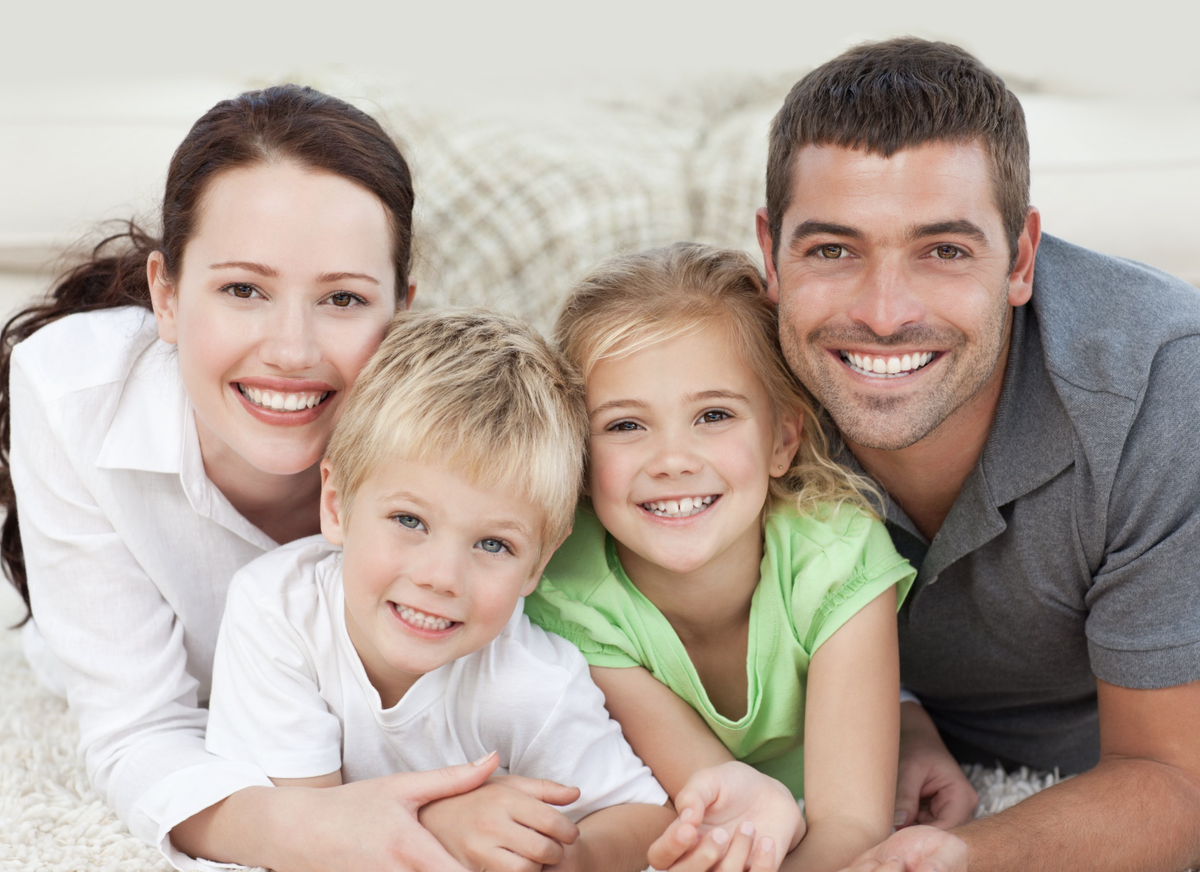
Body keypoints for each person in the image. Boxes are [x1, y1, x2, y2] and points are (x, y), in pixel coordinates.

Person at [1, 85, 504, 872]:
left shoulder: (451, 433)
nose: (292, 350)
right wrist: (312, 830)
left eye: (343, 298)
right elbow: (137, 727)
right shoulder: (70, 394)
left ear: (401, 314)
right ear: (166, 295)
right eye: (244, 290)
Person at [753, 38, 1200, 872]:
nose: (885, 315)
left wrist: (952, 858)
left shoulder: (1161, 387)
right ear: (771, 255)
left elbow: (1175, 779)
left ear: (1021, 258)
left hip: (1094, 772)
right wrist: (899, 709)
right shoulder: (723, 383)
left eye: (944, 250)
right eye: (833, 250)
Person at [205, 308, 673, 872]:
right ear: (336, 504)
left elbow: (645, 815)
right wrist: (442, 824)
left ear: (539, 564)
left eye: (494, 545)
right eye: (409, 521)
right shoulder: (277, 612)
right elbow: (316, 836)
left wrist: (570, 855)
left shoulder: (534, 685)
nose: (441, 577)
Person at [525, 242, 917, 872]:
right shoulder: (569, 591)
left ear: (782, 440)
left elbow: (852, 824)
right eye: (626, 425)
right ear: (578, 451)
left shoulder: (838, 555)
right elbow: (717, 804)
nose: (673, 460)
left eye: (713, 415)